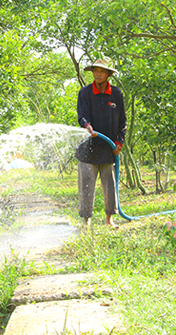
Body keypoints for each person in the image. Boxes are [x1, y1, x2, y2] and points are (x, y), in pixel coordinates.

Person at [75, 57, 126, 228]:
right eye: (95, 70)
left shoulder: (116, 94)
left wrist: (119, 143)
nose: (97, 73)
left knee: (109, 185)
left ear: (108, 74)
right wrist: (87, 126)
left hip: (108, 148)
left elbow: (123, 123)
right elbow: (81, 115)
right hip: (87, 148)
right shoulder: (85, 93)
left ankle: (109, 219)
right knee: (86, 185)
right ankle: (86, 220)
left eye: (101, 71)